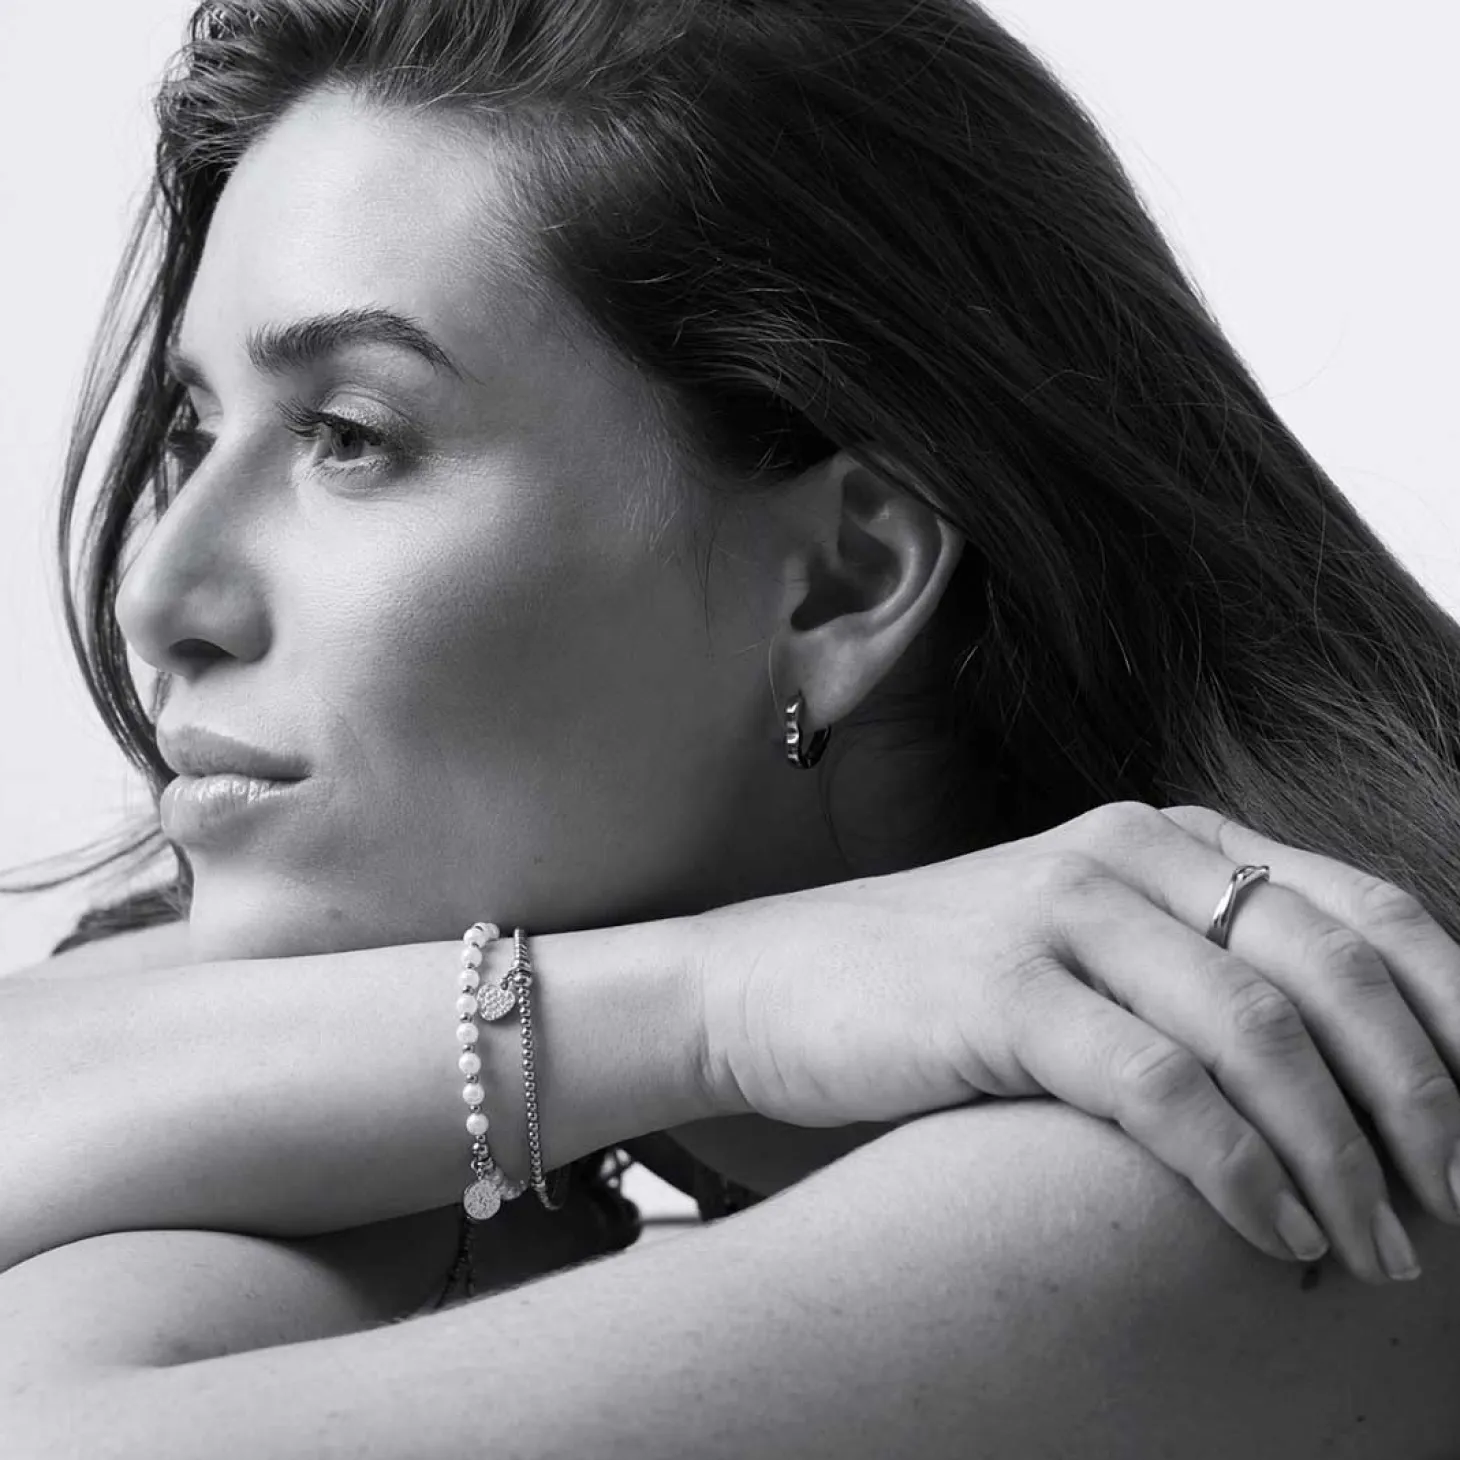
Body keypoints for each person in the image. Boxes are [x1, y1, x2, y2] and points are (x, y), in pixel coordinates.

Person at [3, 0, 1460, 1453]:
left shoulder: (1231, 1113)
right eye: (194, 432)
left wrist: (569, 1073)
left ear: (842, 580)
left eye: (352, 438)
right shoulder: (460, 997)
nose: (158, 595)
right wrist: (713, 1001)